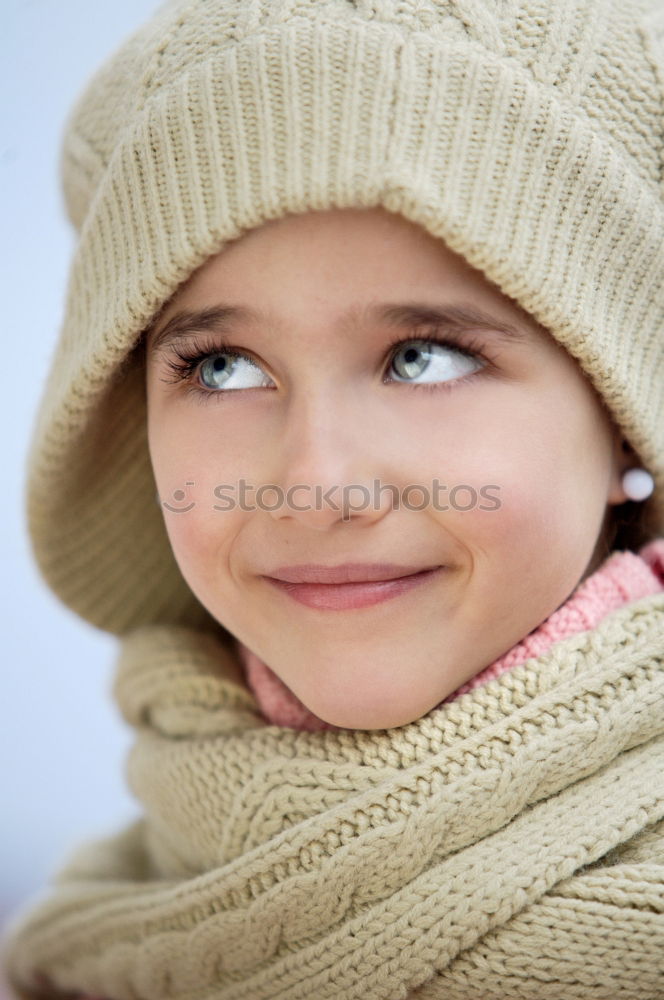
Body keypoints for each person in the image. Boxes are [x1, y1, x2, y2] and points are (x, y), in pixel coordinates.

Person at [2, 0, 664, 997]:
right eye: (222, 366)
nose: (317, 485)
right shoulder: (87, 934)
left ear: (623, 408)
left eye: (422, 356)